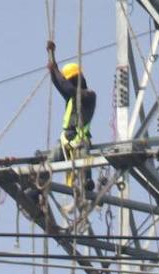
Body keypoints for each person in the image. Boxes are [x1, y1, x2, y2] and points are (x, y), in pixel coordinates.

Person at [45, 39, 97, 189]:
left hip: (80, 140)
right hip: (65, 139)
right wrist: (51, 57)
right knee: (46, 168)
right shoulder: (71, 98)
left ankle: (87, 184)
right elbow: (59, 83)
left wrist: (54, 68)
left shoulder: (89, 95)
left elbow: (67, 87)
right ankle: (35, 193)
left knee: (83, 161)